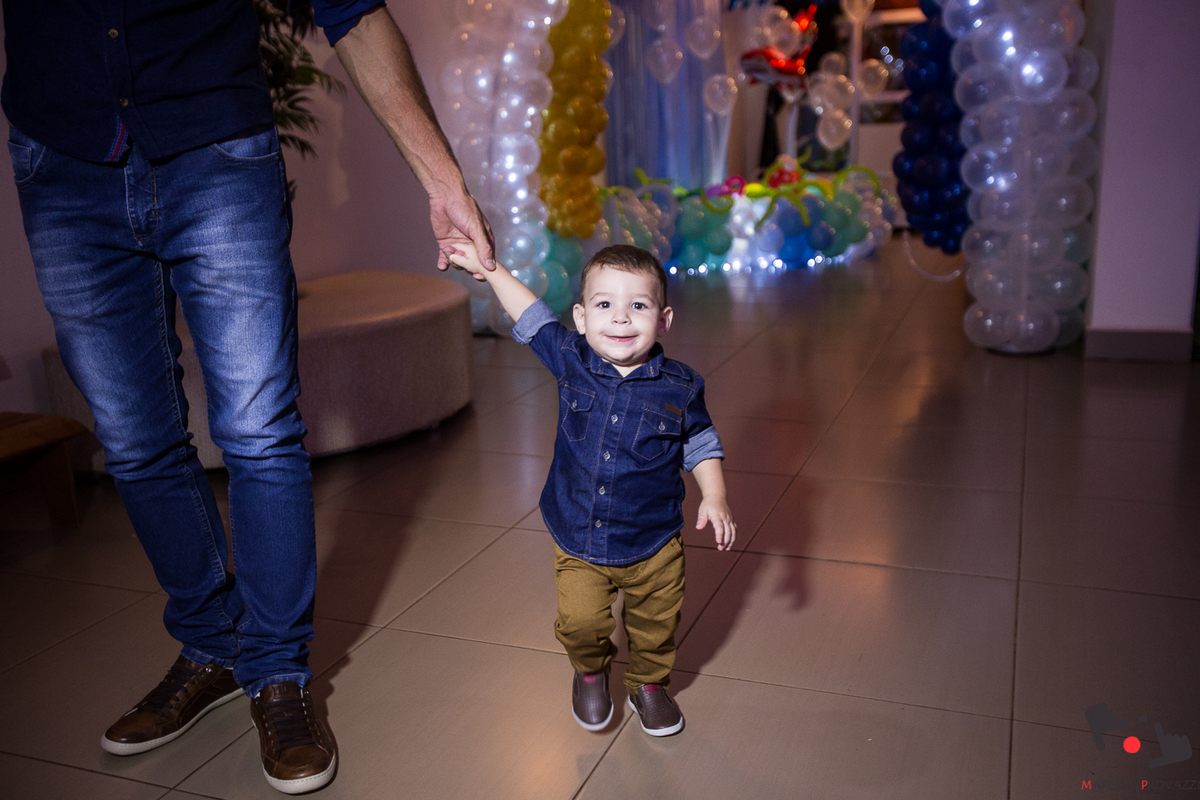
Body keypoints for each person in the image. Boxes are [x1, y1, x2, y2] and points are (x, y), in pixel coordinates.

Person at [2, 1, 493, 793]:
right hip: (62, 166)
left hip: (216, 154)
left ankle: (275, 671)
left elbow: (353, 11)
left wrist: (444, 183)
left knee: (259, 431)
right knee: (133, 440)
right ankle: (212, 645)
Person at [449, 242, 736, 737]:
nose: (621, 318)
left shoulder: (682, 386)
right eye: (605, 304)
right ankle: (588, 670)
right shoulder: (571, 360)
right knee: (580, 623)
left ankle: (648, 684)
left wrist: (715, 495)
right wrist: (488, 270)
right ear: (581, 317)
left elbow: (700, 441)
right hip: (578, 535)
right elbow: (532, 316)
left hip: (654, 542)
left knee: (656, 626)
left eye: (638, 305)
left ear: (663, 320)